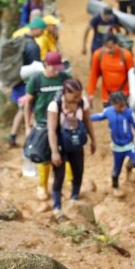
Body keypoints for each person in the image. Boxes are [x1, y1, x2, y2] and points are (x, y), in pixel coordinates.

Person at [24, 51, 72, 201]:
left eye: (58, 67)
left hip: (62, 122)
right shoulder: (37, 79)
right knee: (44, 155)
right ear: (46, 64)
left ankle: (68, 184)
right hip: (43, 123)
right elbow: (28, 103)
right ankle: (42, 186)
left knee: (66, 153)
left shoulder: (64, 78)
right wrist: (27, 126)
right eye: (54, 67)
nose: (56, 70)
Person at [47, 79, 96, 216]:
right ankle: (57, 206)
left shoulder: (81, 102)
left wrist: (93, 140)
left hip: (76, 143)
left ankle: (74, 199)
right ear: (65, 93)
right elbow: (51, 130)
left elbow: (87, 120)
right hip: (61, 145)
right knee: (59, 176)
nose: (77, 99)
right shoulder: (55, 105)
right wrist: (54, 152)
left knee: (78, 172)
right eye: (74, 96)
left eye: (79, 95)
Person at [90, 91, 135, 191]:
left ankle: (129, 168)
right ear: (113, 104)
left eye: (124, 105)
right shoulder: (108, 111)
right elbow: (98, 117)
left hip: (129, 144)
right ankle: (115, 186)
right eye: (120, 106)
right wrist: (85, 118)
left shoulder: (129, 113)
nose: (123, 108)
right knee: (116, 169)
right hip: (117, 147)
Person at [8, 18, 45, 147]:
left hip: (17, 80)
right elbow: (35, 68)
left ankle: (12, 136)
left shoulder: (21, 40)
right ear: (37, 29)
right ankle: (30, 138)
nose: (43, 33)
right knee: (30, 109)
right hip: (27, 84)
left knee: (22, 109)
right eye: (42, 30)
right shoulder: (33, 46)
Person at [88, 33, 134, 108]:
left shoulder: (126, 55)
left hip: (124, 94)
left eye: (110, 47)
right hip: (107, 95)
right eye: (105, 47)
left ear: (116, 45)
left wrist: (133, 95)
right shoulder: (98, 55)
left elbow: (132, 76)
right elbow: (94, 75)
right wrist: (91, 93)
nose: (107, 50)